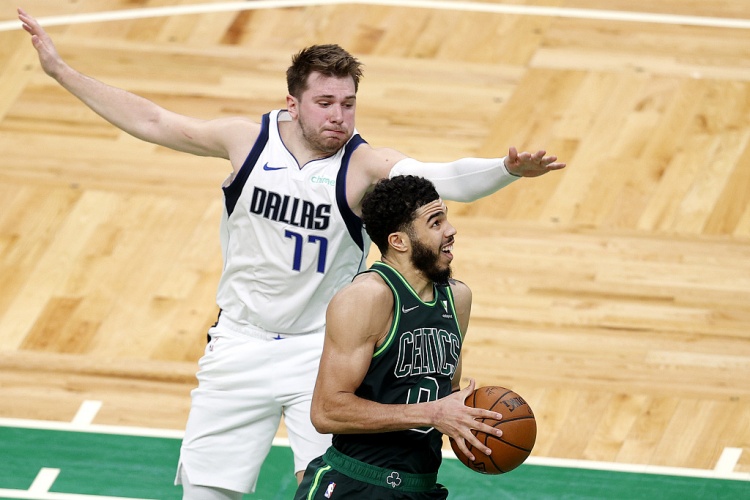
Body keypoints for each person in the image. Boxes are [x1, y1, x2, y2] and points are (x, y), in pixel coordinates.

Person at [18, 7, 565, 499]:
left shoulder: (363, 165)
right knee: (207, 492)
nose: (339, 116)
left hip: (320, 352)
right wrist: (61, 72)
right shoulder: (246, 141)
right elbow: (154, 122)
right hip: (239, 339)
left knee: (327, 486)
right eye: (325, 103)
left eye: (348, 104)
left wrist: (505, 170)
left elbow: (440, 177)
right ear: (293, 103)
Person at [295, 174, 494, 500]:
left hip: (420, 488)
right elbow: (326, 411)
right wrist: (433, 413)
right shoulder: (365, 298)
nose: (451, 230)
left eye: (446, 218)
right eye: (436, 223)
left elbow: (447, 391)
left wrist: (475, 425)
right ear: (399, 241)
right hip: (355, 485)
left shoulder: (457, 298)